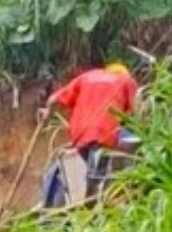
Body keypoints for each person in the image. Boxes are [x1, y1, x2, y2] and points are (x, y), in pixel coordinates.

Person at [39, 61, 139, 202]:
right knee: (130, 145)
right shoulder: (127, 81)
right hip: (106, 133)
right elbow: (137, 112)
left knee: (94, 164)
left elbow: (53, 99)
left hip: (80, 135)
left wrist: (47, 114)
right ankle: (100, 197)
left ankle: (93, 191)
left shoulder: (87, 77)